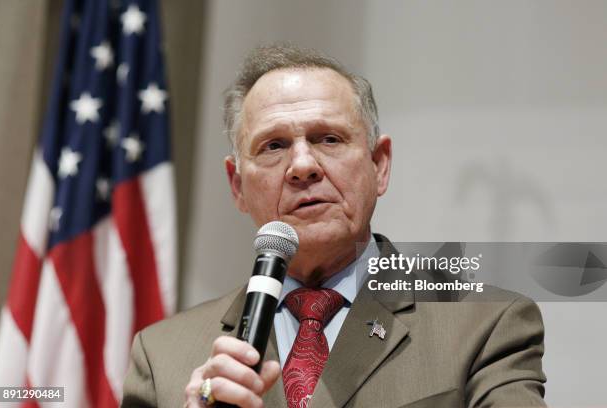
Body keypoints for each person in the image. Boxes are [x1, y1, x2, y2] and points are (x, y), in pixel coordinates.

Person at [122, 44, 546, 408]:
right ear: (237, 185)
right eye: (274, 146)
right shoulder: (163, 355)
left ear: (379, 166)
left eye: (329, 139)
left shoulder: (484, 325)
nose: (303, 166)